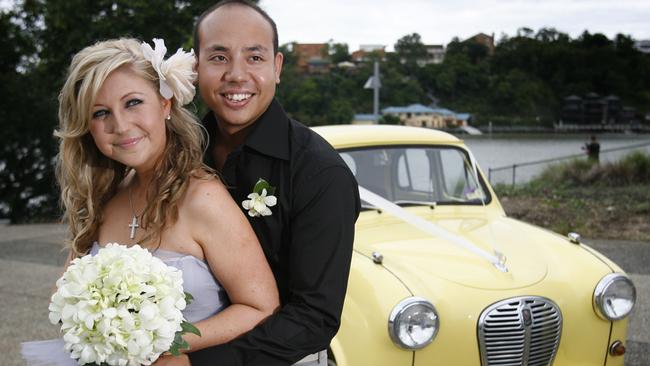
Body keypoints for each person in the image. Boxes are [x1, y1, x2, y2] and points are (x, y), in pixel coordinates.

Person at [21, 37, 279, 365]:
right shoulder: (105, 196)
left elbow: (261, 308)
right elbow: (65, 296)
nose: (121, 125)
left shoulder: (203, 198)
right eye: (101, 113)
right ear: (88, 128)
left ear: (165, 104)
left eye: (133, 103)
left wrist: (163, 343)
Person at [162, 1, 360, 366]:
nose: (237, 75)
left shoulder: (319, 173)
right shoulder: (172, 156)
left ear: (277, 67)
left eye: (254, 58)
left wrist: (194, 363)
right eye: (219, 58)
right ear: (196, 67)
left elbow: (313, 318)